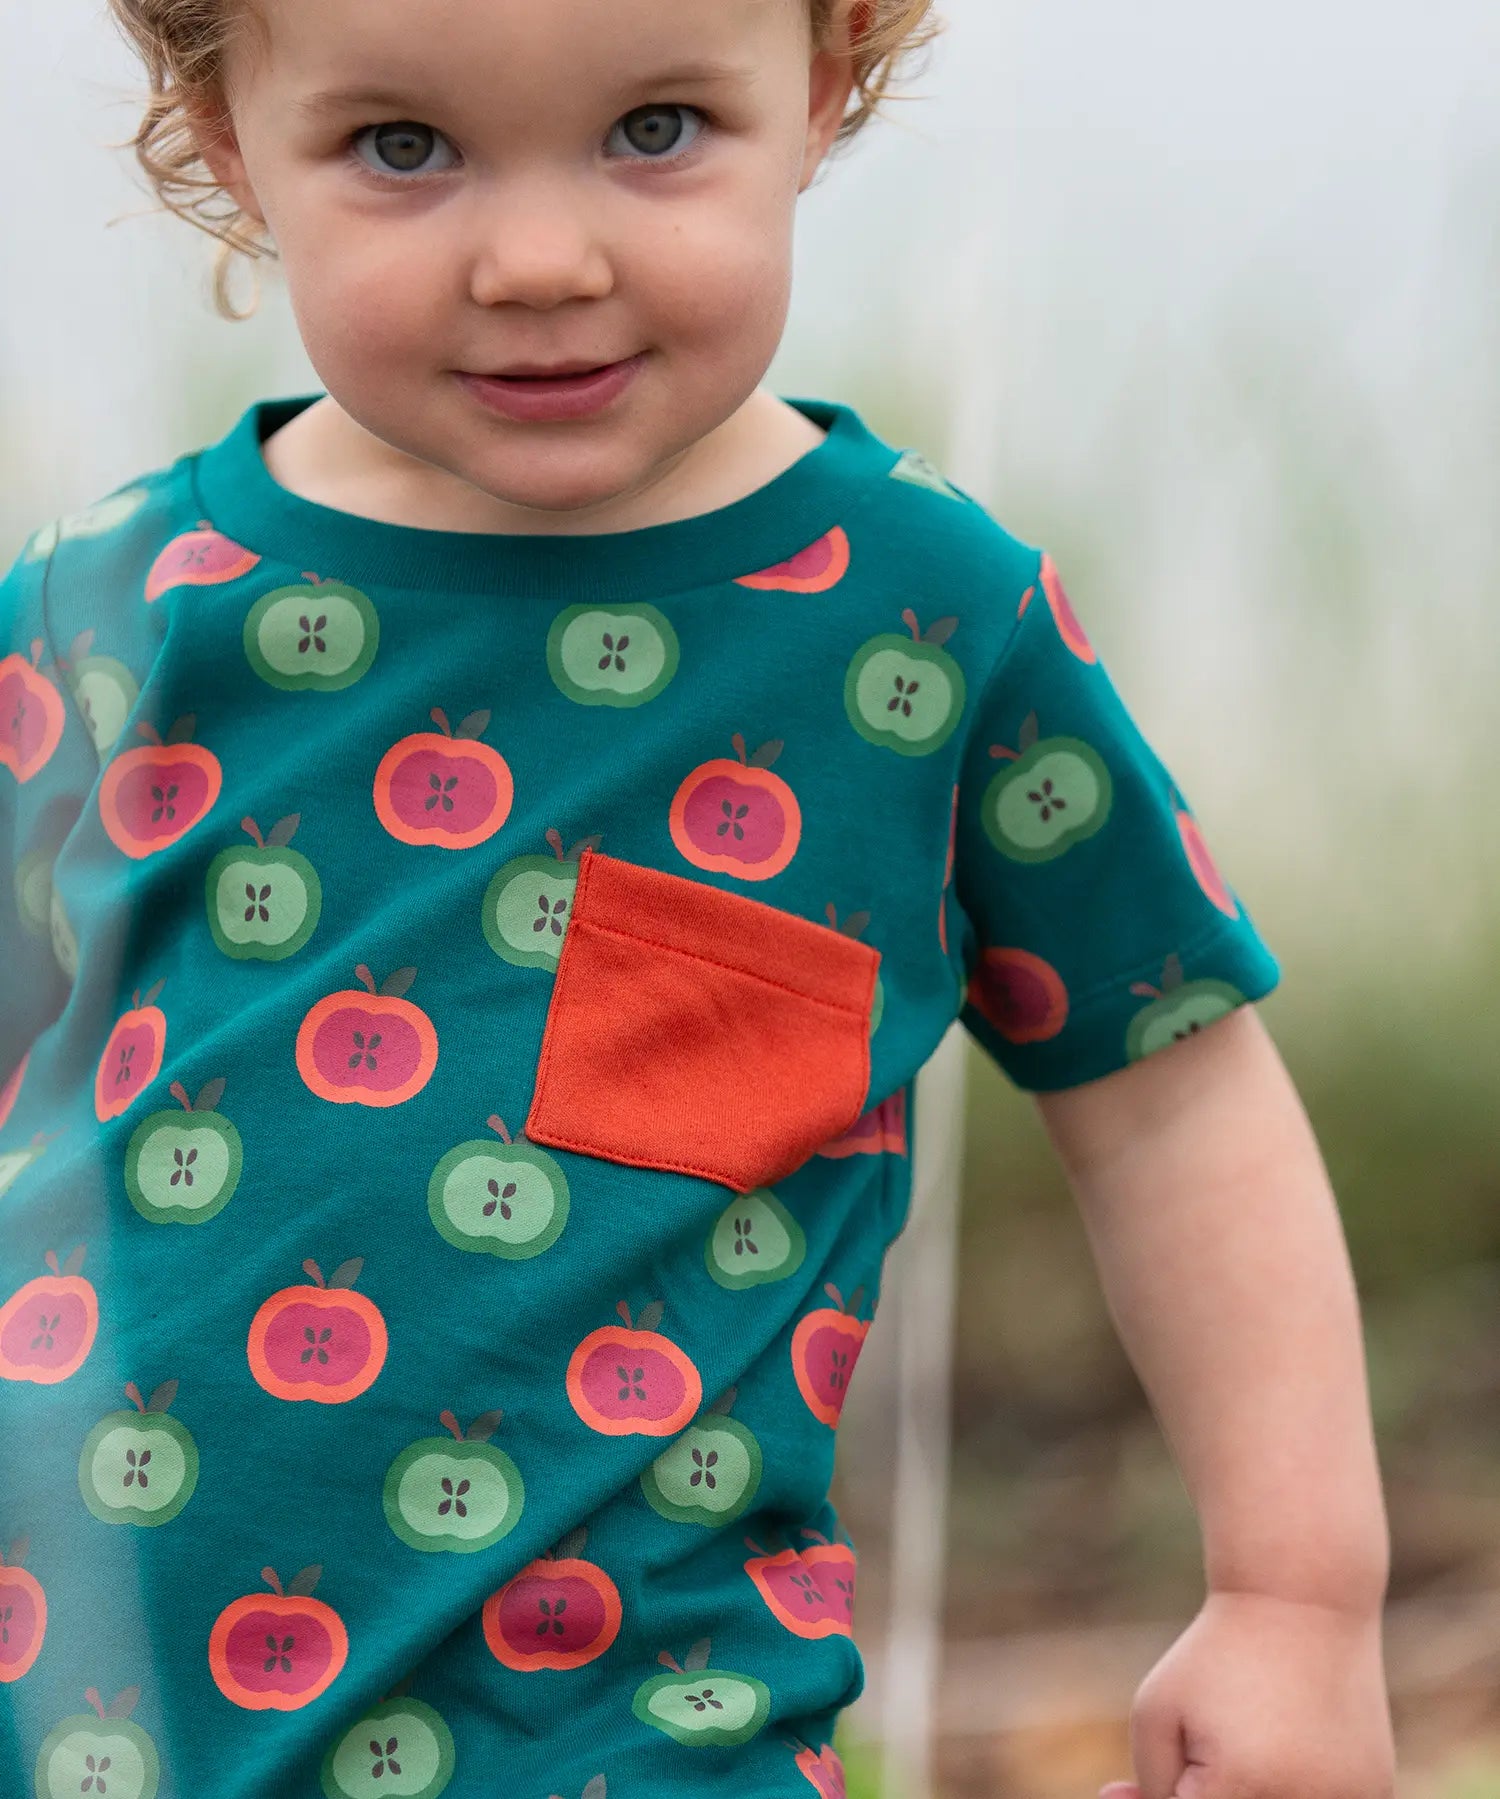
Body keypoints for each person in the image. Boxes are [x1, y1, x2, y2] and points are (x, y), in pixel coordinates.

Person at [0, 0, 1397, 1794]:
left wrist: (1298, 1599)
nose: (541, 261)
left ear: (816, 94)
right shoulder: (102, 612)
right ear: (222, 136)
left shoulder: (912, 624)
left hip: (641, 1736)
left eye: (655, 129)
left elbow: (1172, 1090)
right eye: (403, 150)